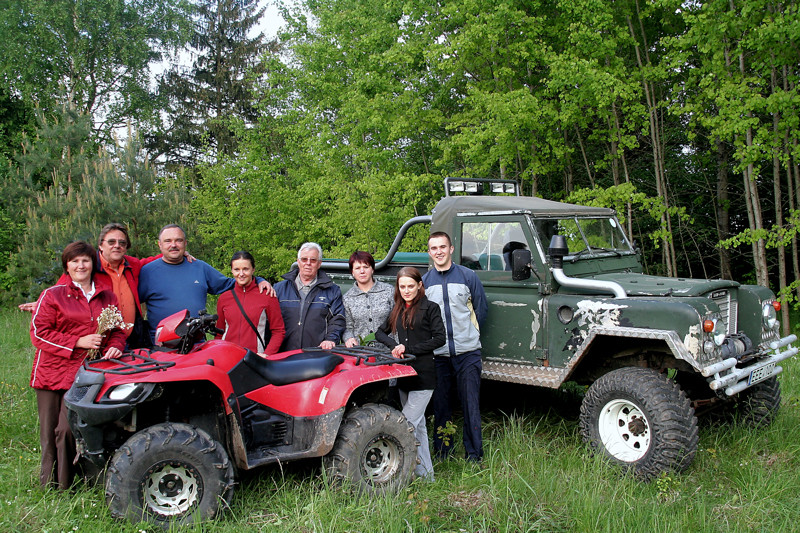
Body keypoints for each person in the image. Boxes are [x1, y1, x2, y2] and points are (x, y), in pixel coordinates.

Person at [30, 241, 126, 489]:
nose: (80, 265)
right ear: (67, 266)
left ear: (93, 263)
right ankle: (47, 484)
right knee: (50, 431)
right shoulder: (53, 295)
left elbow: (116, 330)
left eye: (85, 260)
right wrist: (77, 341)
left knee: (67, 430)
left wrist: (116, 345)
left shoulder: (106, 295)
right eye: (75, 261)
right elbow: (39, 333)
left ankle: (66, 483)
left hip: (85, 374)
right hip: (52, 372)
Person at [138, 224, 272, 343]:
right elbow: (132, 304)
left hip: (196, 343)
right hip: (162, 346)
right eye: (168, 241)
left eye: (178, 240)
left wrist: (259, 280)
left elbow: (232, 283)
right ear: (159, 244)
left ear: (185, 243)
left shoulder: (199, 267)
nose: (173, 245)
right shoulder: (147, 272)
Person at [423, 231, 488, 462]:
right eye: (434, 248)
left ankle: (474, 455)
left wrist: (470, 336)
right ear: (429, 252)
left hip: (467, 353)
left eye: (443, 247)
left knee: (470, 405)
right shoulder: (425, 282)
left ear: (451, 249)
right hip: (438, 356)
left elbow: (481, 310)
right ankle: (443, 453)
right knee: (441, 406)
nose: (439, 251)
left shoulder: (468, 276)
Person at [375, 267, 445, 480]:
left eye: (410, 286)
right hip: (405, 374)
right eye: (402, 286)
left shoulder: (430, 308)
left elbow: (440, 339)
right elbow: (379, 332)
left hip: (424, 373)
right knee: (419, 427)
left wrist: (409, 350)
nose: (406, 291)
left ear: (419, 285)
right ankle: (426, 475)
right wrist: (394, 346)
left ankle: (396, 474)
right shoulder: (397, 308)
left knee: (405, 425)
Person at [274, 242, 346, 350]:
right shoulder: (279, 289)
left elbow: (337, 320)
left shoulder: (332, 291)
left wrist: (330, 339)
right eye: (304, 259)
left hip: (317, 355)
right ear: (298, 262)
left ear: (319, 263)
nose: (308, 263)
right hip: (283, 355)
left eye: (313, 260)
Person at [215, 251, 285, 354]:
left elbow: (278, 331)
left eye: (245, 269)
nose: (241, 274)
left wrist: (267, 355)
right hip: (227, 357)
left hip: (254, 359)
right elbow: (219, 333)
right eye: (237, 269)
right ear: (232, 271)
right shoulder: (224, 298)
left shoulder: (267, 296)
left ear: (253, 270)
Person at [342, 251, 394, 348]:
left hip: (389, 351)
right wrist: (348, 338)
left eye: (366, 267)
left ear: (372, 269)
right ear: (352, 272)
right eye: (357, 268)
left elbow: (398, 321)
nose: (362, 271)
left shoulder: (388, 291)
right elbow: (347, 327)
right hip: (362, 352)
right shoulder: (347, 298)